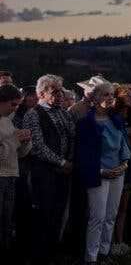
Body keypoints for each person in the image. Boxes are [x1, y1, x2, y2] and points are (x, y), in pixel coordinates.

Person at [22, 74, 76, 265]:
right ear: (41, 93)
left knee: (58, 212)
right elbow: (38, 146)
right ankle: (39, 255)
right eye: (55, 92)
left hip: (63, 172)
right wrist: (62, 162)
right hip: (42, 173)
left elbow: (73, 136)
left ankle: (54, 251)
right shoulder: (33, 114)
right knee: (42, 214)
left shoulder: (64, 112)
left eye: (61, 91)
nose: (60, 95)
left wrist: (69, 160)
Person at [76, 82, 131, 264]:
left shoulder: (117, 120)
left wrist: (123, 166)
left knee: (110, 216)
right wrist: (101, 171)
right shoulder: (86, 123)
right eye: (105, 94)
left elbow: (124, 146)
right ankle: (91, 258)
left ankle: (104, 253)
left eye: (111, 95)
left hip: (118, 172)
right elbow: (83, 154)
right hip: (98, 174)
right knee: (97, 217)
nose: (109, 98)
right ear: (95, 98)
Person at [0, 84, 31, 253]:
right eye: (13, 104)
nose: (16, 108)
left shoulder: (7, 120)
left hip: (11, 175)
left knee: (7, 222)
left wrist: (25, 142)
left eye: (18, 105)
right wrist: (15, 141)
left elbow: (17, 154)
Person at [112, 84, 131, 256]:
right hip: (115, 162)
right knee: (113, 207)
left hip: (129, 161)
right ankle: (110, 242)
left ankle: (120, 241)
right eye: (126, 94)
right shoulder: (113, 116)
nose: (130, 96)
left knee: (123, 205)